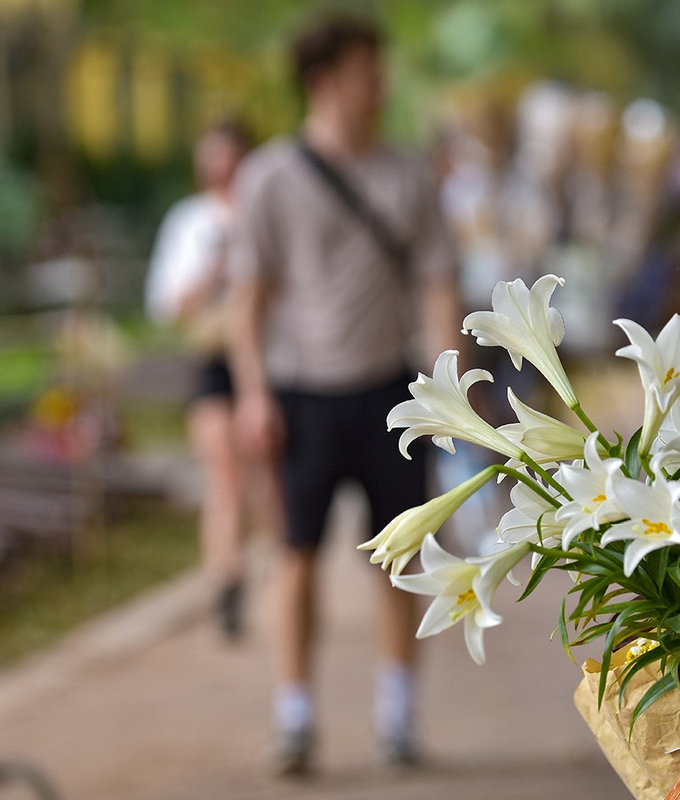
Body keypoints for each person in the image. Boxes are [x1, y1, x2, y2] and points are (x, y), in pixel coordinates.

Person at [224, 16, 461, 776]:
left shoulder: (408, 175)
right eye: (367, 72)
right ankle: (294, 718)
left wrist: (446, 387)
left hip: (392, 391)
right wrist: (255, 396)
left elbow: (437, 283)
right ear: (324, 82)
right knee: (295, 556)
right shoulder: (269, 178)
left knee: (399, 557)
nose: (380, 86)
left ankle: (397, 716)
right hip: (302, 397)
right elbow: (247, 301)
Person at [145, 118, 275, 642]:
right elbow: (167, 304)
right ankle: (226, 581)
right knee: (221, 476)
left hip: (267, 361)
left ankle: (281, 578)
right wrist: (216, 269)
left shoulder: (267, 212)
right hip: (213, 360)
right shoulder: (190, 220)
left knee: (264, 481)